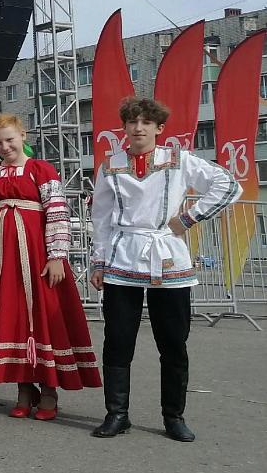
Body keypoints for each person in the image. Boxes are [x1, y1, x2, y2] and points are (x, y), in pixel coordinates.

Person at [89, 96, 240, 443]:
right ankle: (117, 414)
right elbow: (101, 217)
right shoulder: (110, 165)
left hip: (167, 256)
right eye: (131, 122)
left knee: (173, 342)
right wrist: (98, 261)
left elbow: (226, 185)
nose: (138, 128)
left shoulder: (179, 160)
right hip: (122, 258)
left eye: (145, 123)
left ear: (159, 129)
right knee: (117, 340)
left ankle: (174, 416)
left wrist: (188, 218)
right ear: (125, 128)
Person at [0, 114, 100, 418]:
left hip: (36, 257)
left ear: (23, 136)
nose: (4, 146)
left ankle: (49, 389)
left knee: (41, 317)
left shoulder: (41, 170)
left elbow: (57, 214)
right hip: (2, 261)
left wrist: (56, 256)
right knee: (10, 317)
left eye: (9, 139)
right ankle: (24, 387)